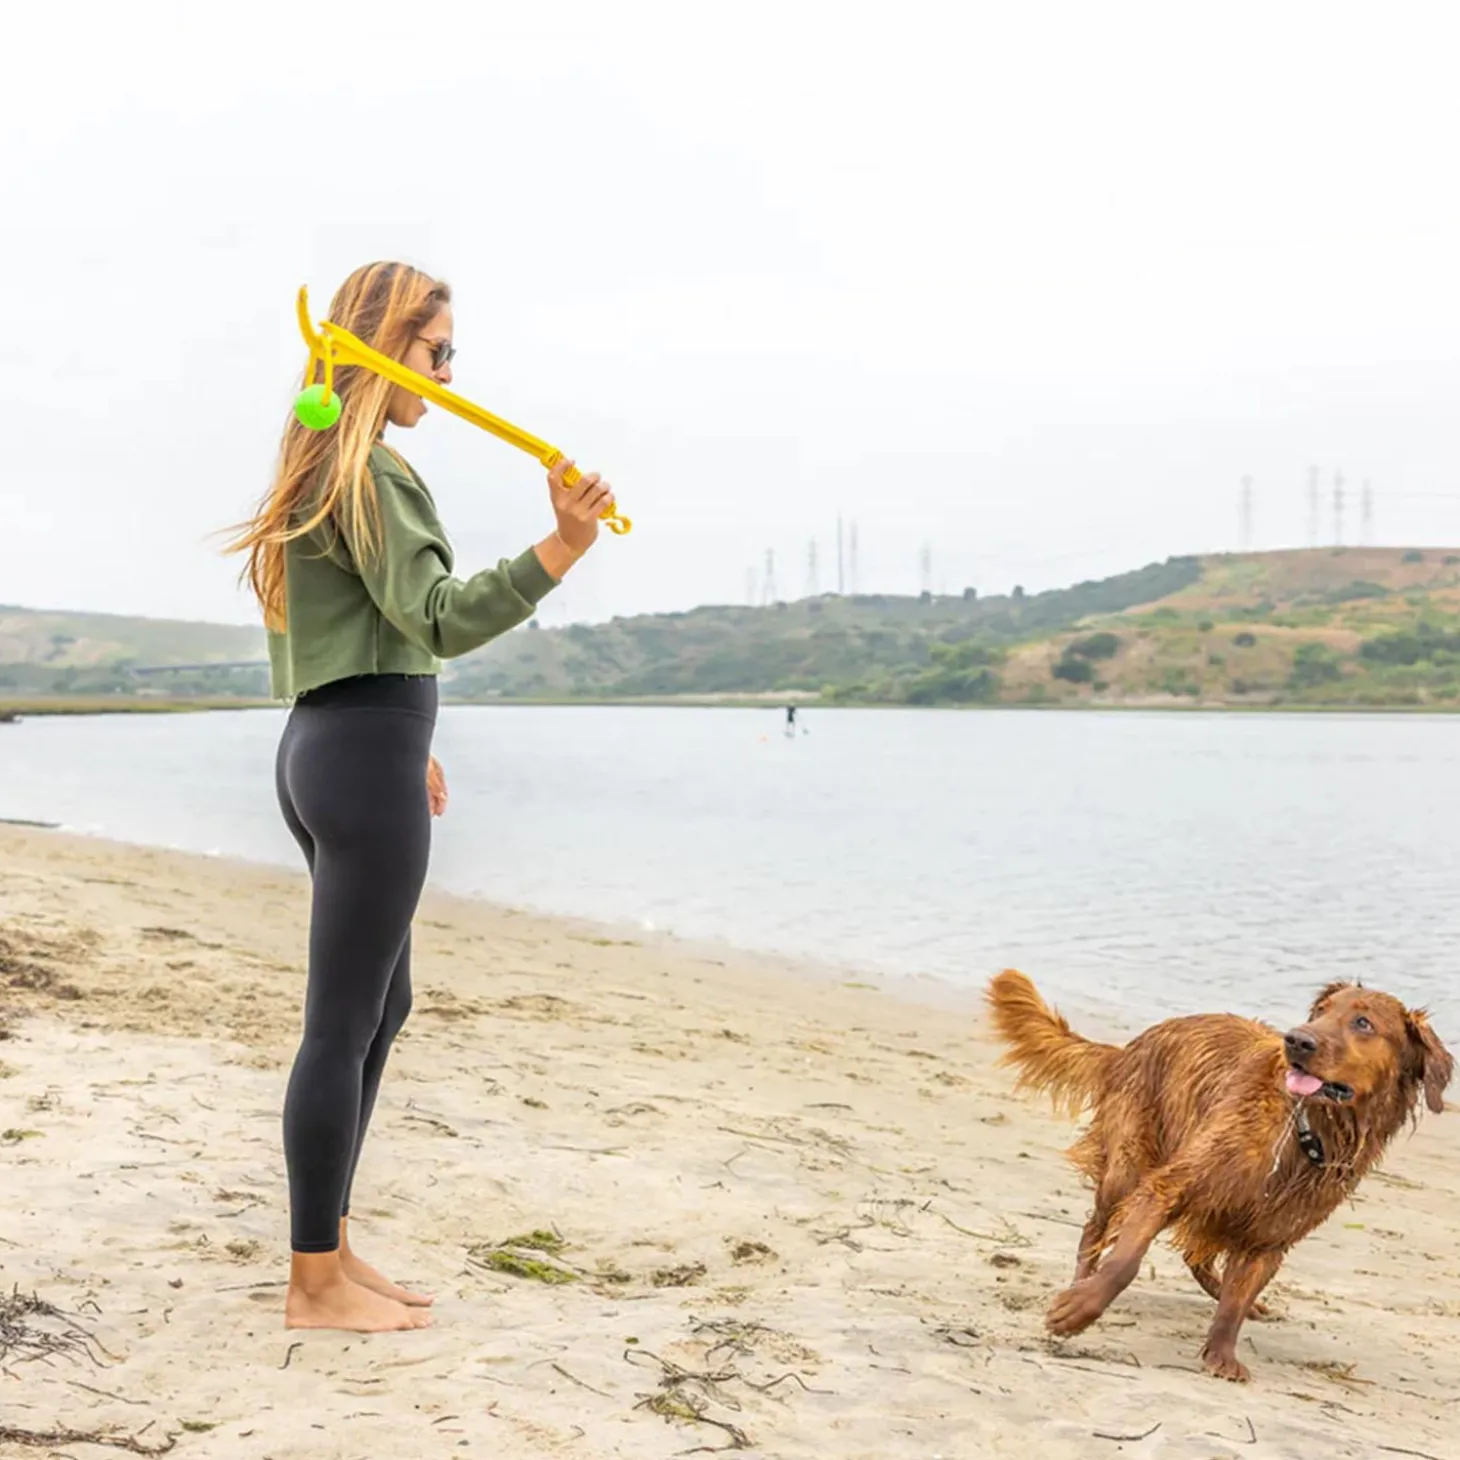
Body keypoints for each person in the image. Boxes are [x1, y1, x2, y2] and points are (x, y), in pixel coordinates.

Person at [224, 261, 614, 1333]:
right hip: (357, 753)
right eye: (437, 350)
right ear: (382, 343)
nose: (446, 372)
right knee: (342, 1022)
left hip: (332, 743)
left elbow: (350, 632)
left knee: (377, 1009)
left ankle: (333, 1246)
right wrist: (562, 548)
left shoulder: (318, 467)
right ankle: (312, 1283)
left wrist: (407, 739)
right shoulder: (370, 471)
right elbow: (437, 615)